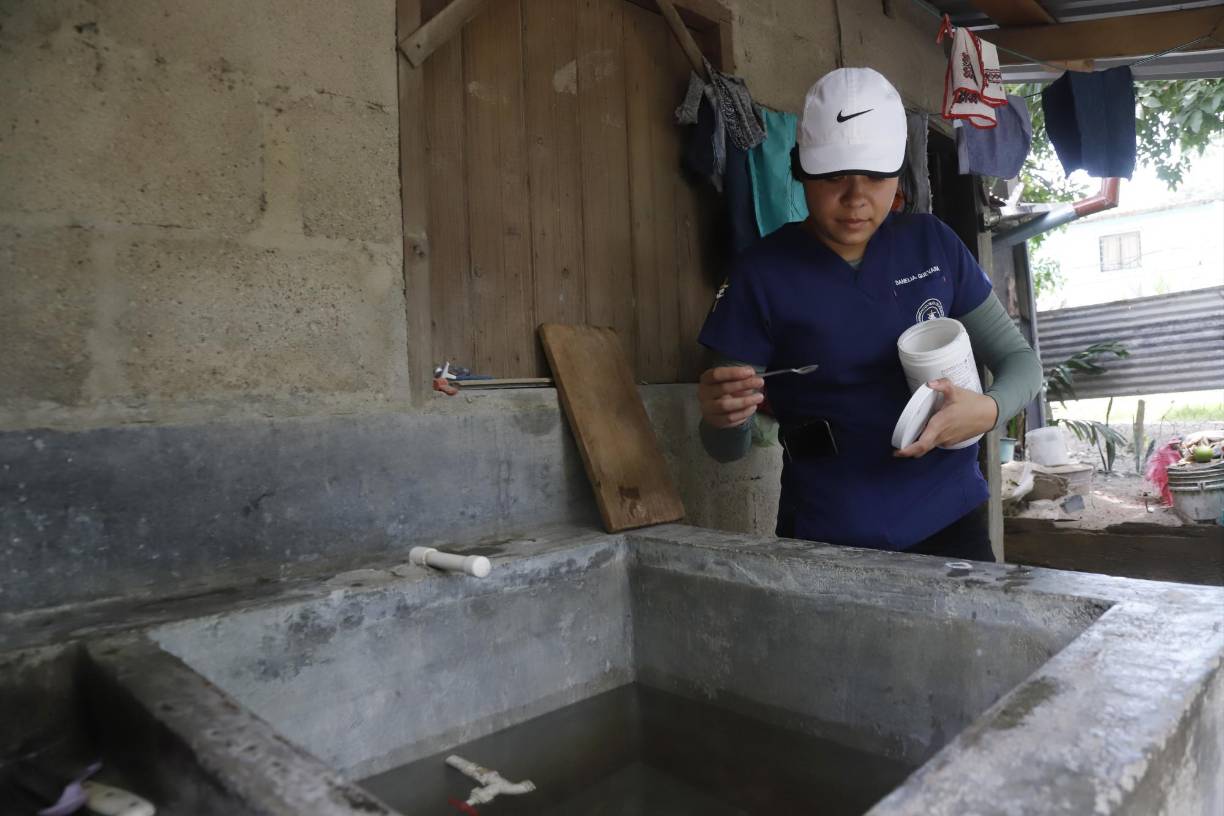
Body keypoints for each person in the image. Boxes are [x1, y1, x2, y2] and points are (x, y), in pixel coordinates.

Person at [697, 67, 1042, 562]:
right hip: (826, 532)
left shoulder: (933, 244)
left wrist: (986, 411)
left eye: (877, 175)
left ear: (898, 173)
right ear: (800, 169)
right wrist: (721, 417)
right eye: (835, 175)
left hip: (951, 522)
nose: (856, 197)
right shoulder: (760, 276)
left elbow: (1020, 362)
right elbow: (725, 448)